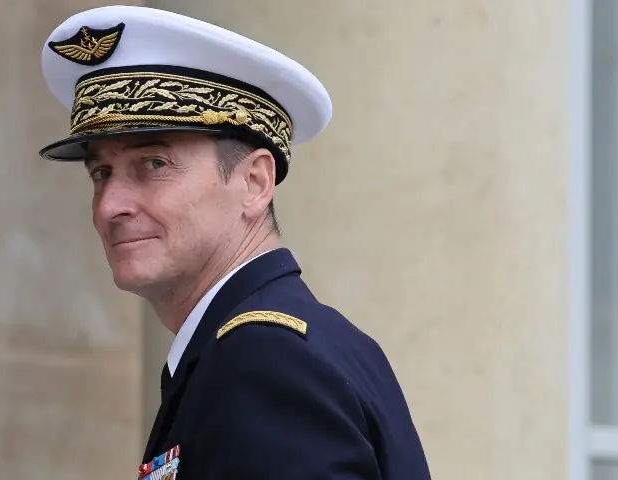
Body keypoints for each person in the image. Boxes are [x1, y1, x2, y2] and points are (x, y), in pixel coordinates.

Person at [39, 5, 431, 480]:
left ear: (255, 181)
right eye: (101, 173)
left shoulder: (264, 362)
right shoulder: (294, 345)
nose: (109, 207)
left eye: (154, 164)